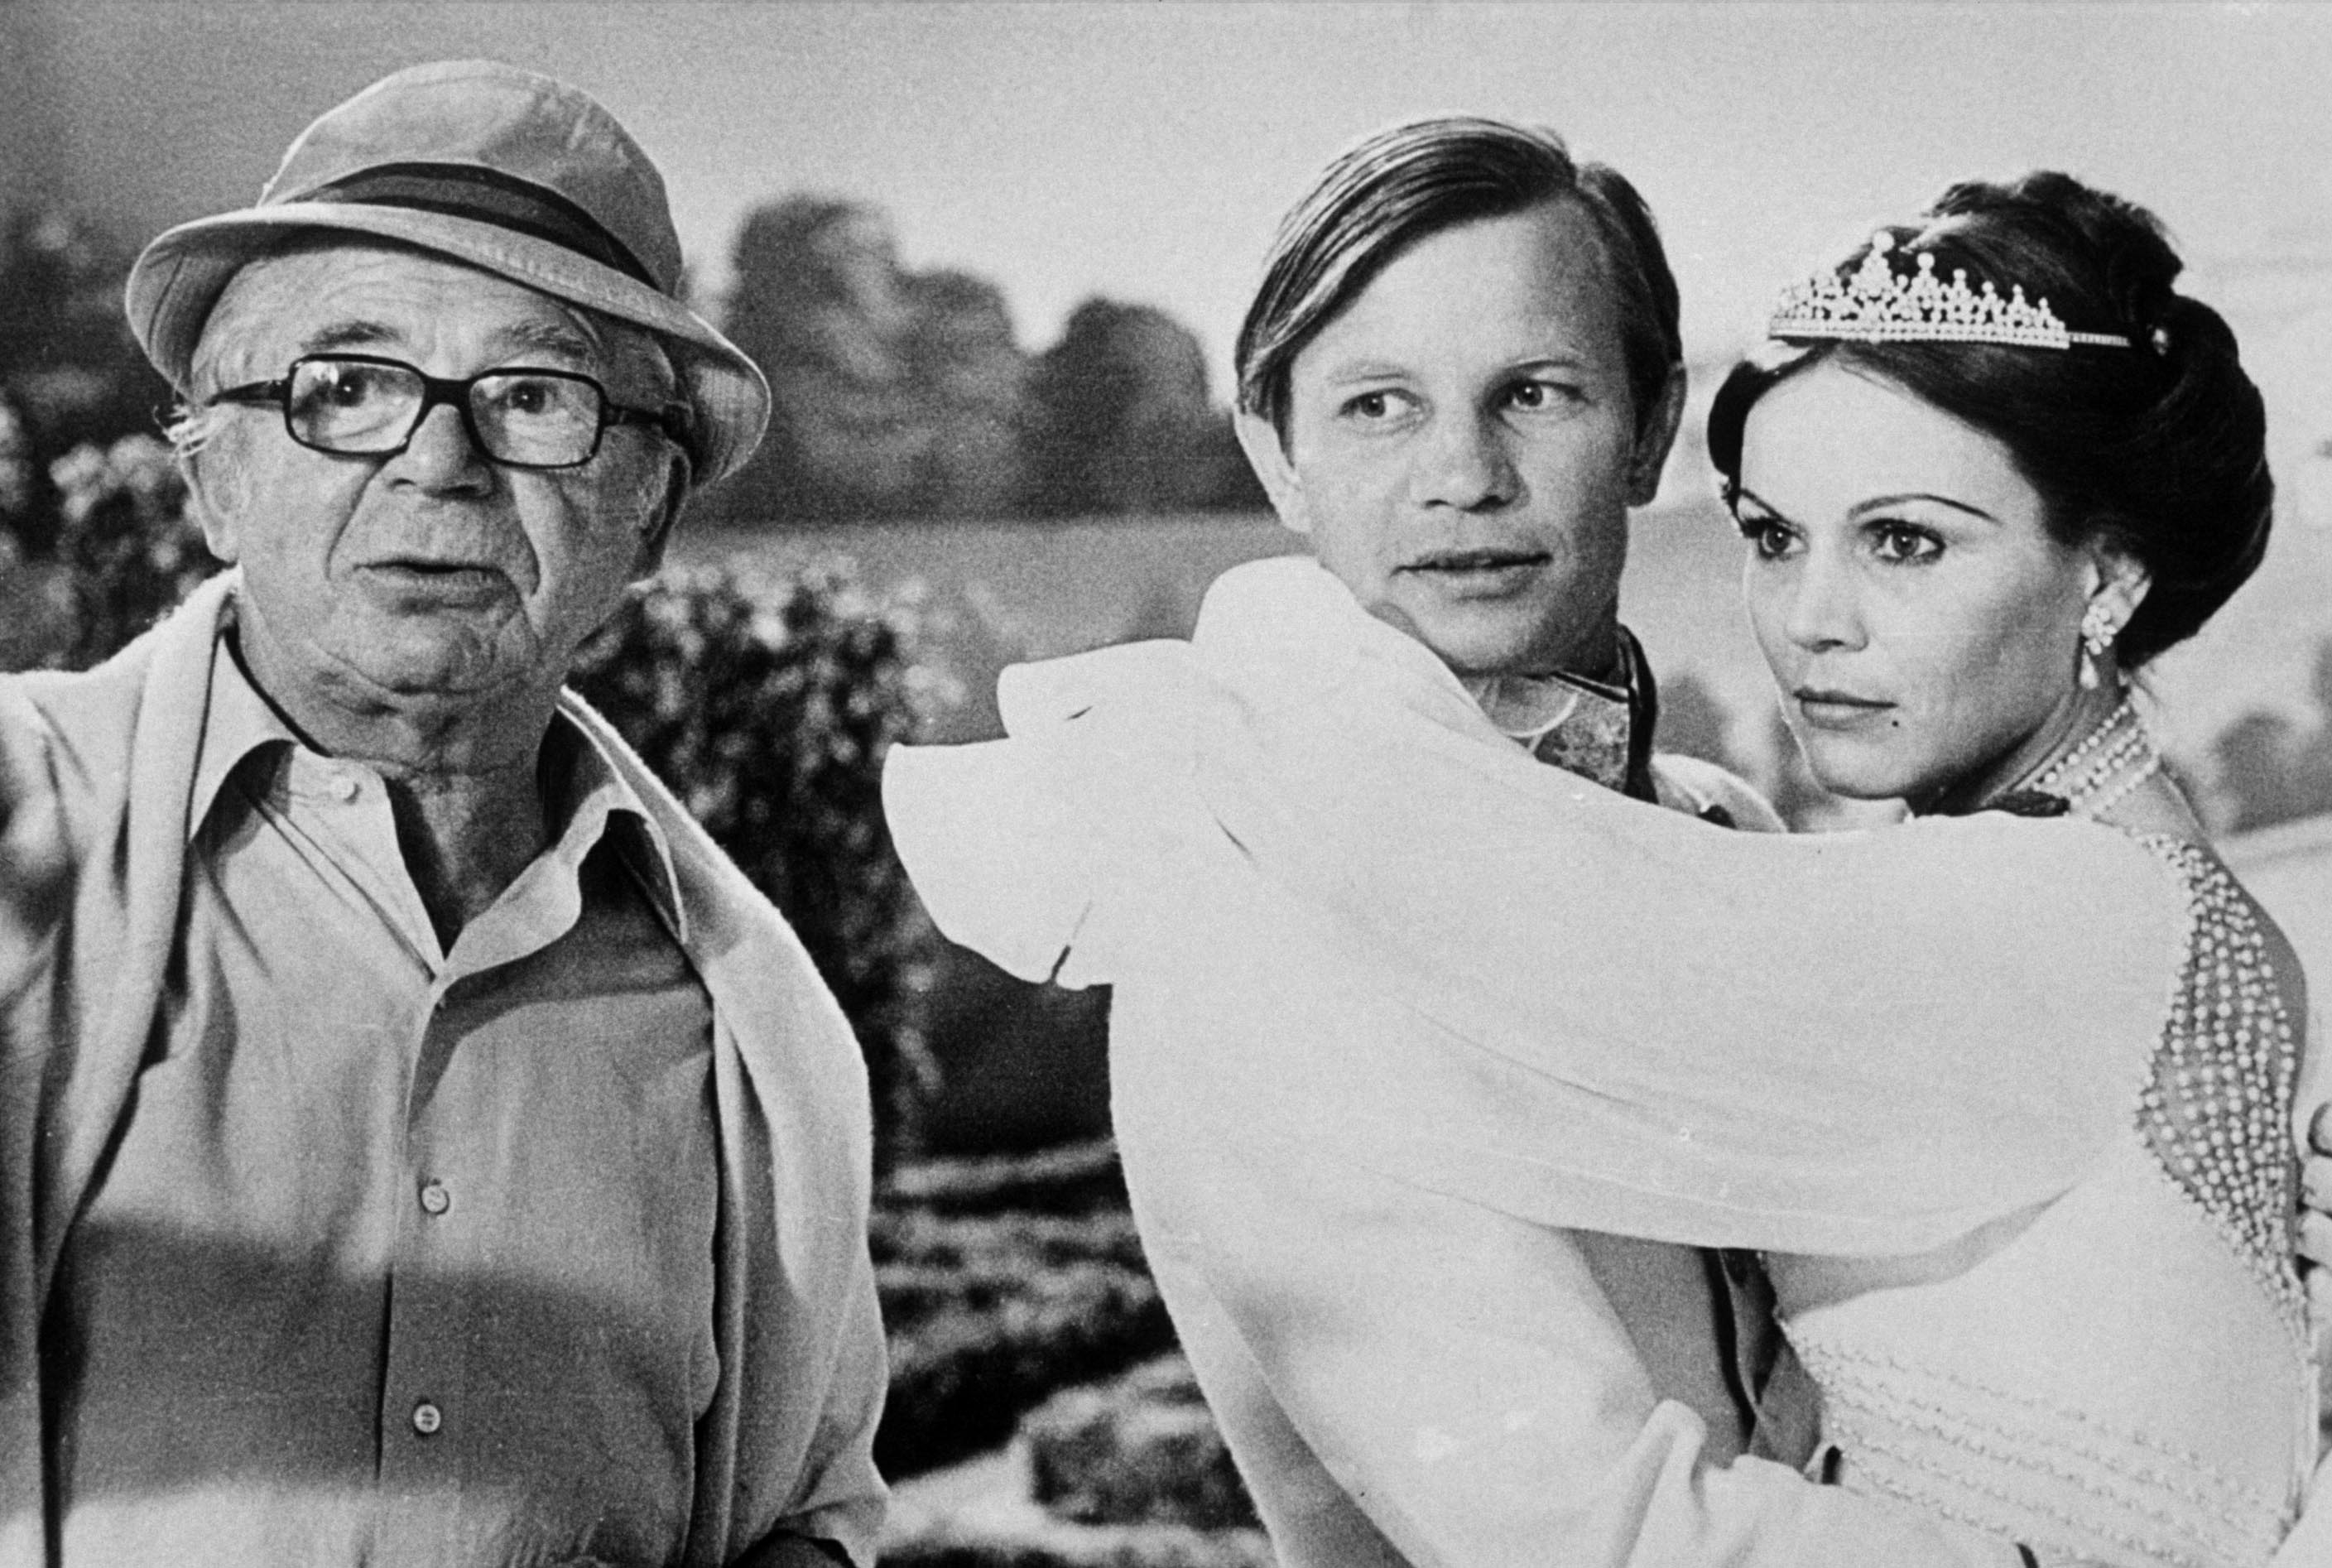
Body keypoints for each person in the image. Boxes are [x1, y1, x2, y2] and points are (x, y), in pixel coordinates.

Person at [884, 122, 2332, 1566]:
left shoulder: (1722, 829)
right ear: (1276, 457)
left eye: (1535, 391)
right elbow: (1597, 1529)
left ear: (1646, 426)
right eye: (1378, 405)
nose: (1462, 474)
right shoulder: (1247, 910)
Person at [0, 61, 886, 1566]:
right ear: (215, 478)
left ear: (650, 515)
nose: (437, 460)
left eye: (534, 395)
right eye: (346, 385)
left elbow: (807, 1510)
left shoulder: (755, 1023)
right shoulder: (20, 829)